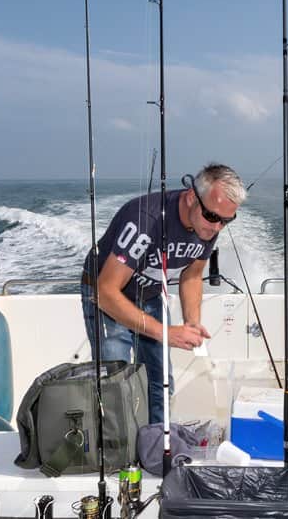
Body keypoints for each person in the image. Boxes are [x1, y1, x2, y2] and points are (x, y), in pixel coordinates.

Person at [81, 163, 245, 423]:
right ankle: (118, 452)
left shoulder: (207, 224)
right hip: (109, 293)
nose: (217, 229)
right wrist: (165, 333)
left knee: (160, 380)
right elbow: (105, 292)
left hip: (150, 293)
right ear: (192, 197)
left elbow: (191, 275)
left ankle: (155, 444)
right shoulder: (145, 220)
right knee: (116, 380)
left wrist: (192, 320)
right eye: (213, 217)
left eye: (226, 221)